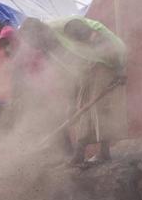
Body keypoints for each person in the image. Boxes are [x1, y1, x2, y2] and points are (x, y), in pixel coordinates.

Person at [53, 17, 128, 164]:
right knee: (84, 109)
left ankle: (104, 152)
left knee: (100, 110)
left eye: (77, 37)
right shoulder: (71, 38)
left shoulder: (96, 36)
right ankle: (79, 153)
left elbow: (115, 53)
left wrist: (120, 71)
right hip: (90, 69)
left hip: (106, 68)